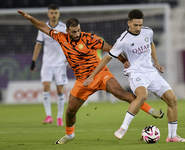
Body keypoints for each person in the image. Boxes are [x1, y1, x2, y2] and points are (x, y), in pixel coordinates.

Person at [17, 10, 164, 145]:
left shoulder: (90, 38)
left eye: (79, 30)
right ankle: (69, 135)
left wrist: (123, 60)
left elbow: (109, 48)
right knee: (70, 112)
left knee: (120, 93)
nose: (78, 33)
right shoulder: (61, 38)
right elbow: (44, 28)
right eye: (74, 31)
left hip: (100, 74)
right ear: (67, 31)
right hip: (82, 82)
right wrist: (30, 18)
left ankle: (151, 111)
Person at [84, 9, 185, 142]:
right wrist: (91, 76)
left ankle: (172, 136)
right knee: (142, 96)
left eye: (140, 25)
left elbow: (151, 44)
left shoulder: (148, 31)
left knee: (173, 100)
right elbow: (106, 59)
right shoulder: (123, 40)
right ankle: (123, 128)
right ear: (129, 23)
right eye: (135, 25)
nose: (138, 28)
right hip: (135, 72)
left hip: (151, 72)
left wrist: (156, 63)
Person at [30, 4, 69, 126]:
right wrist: (33, 61)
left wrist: (69, 59)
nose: (53, 14)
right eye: (51, 12)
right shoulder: (43, 27)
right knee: (45, 87)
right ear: (48, 14)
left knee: (59, 89)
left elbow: (69, 45)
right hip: (47, 63)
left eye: (55, 12)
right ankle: (48, 116)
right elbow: (38, 45)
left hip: (60, 64)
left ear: (59, 14)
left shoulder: (63, 28)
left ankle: (59, 117)